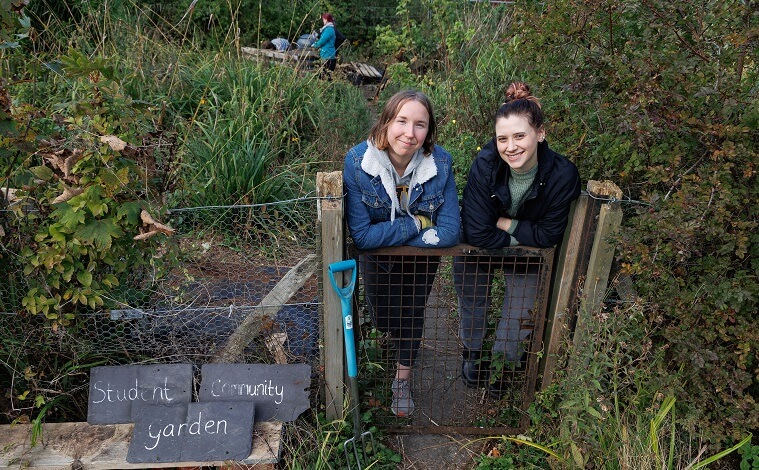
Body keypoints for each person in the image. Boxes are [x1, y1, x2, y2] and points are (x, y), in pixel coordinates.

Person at [453, 81, 581, 398]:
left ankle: (501, 367)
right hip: (476, 248)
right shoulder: (485, 164)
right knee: (473, 301)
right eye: (503, 138)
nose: (511, 146)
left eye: (520, 136)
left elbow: (550, 234)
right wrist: (523, 232)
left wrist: (504, 221)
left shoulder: (563, 175)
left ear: (540, 133)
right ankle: (473, 355)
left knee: (520, 308)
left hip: (525, 255)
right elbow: (478, 232)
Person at [343, 90, 460, 416]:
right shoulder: (358, 163)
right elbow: (363, 237)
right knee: (383, 317)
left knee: (412, 315)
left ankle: (401, 380)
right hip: (378, 259)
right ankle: (392, 341)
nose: (410, 133)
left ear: (428, 131)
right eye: (402, 121)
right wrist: (419, 223)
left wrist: (392, 235)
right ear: (386, 122)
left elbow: (450, 232)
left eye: (420, 125)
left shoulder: (440, 163)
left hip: (421, 261)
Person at [311, 13, 337, 79]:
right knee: (324, 76)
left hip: (327, 55)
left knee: (325, 76)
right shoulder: (328, 29)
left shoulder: (329, 29)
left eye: (323, 19)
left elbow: (322, 40)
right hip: (327, 54)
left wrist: (315, 45)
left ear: (326, 20)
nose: (323, 21)